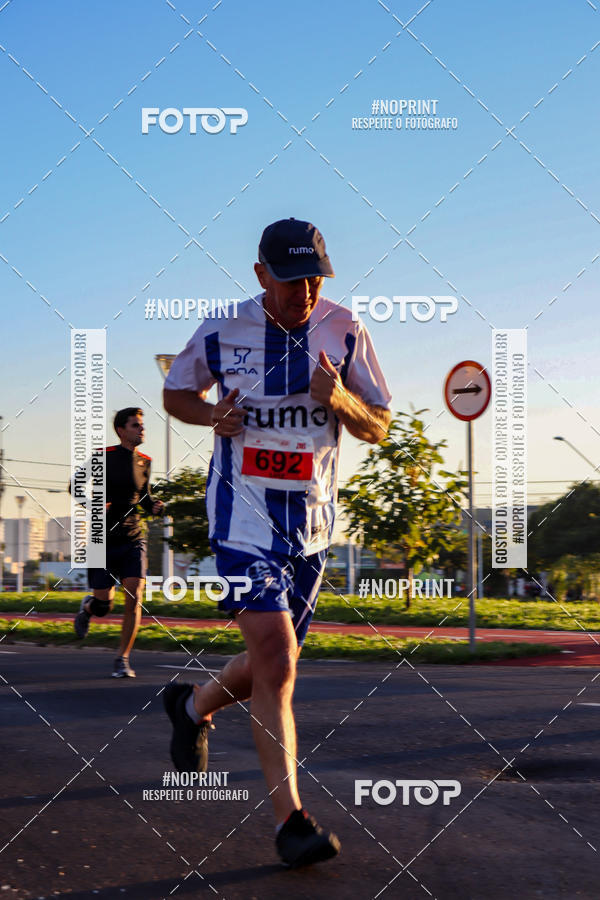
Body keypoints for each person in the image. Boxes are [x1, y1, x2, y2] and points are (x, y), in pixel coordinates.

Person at [162, 218, 392, 867]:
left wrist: (340, 398)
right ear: (262, 274)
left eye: (316, 277)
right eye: (292, 280)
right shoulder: (221, 328)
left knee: (272, 665)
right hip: (241, 518)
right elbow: (176, 392)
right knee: (276, 651)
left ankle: (192, 705)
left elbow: (378, 424)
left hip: (312, 528)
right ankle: (292, 822)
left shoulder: (345, 329)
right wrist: (212, 415)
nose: (306, 292)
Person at [72, 407, 163, 678]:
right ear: (122, 430)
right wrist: (94, 504)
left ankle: (122, 659)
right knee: (104, 606)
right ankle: (89, 608)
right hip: (103, 539)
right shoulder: (103, 456)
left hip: (134, 537)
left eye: (142, 425)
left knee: (135, 596)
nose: (141, 429)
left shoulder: (145, 461)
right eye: (136, 425)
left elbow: (143, 497)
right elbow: (75, 486)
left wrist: (155, 506)